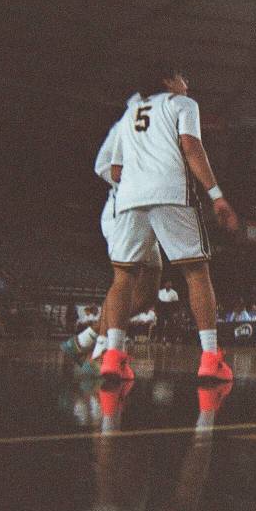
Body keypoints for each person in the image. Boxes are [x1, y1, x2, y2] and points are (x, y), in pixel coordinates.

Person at [100, 63, 239, 381]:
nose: (186, 82)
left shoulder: (130, 113)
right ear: (167, 82)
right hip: (171, 193)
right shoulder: (182, 104)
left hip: (130, 198)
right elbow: (191, 146)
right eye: (181, 76)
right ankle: (209, 358)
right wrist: (216, 195)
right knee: (196, 273)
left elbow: (116, 169)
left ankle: (113, 356)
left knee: (123, 279)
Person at [59, 116, 163, 372]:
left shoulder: (169, 121)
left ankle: (85, 340)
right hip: (126, 211)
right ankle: (101, 355)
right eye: (180, 78)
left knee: (147, 295)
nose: (185, 85)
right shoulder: (130, 123)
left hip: (149, 214)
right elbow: (104, 167)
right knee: (124, 280)